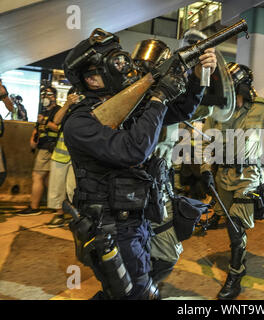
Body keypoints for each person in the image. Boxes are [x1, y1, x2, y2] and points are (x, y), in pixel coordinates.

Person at [62, 28, 214, 300]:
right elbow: (133, 150)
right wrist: (157, 98)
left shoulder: (126, 106)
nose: (125, 68)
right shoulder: (80, 122)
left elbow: (182, 110)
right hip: (110, 228)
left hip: (135, 219)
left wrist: (198, 74)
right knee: (137, 294)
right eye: (117, 64)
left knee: (124, 292)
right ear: (92, 79)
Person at [199, 61, 264, 300]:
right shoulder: (217, 110)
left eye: (229, 86)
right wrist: (206, 169)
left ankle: (235, 274)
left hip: (248, 176)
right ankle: (240, 258)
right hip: (223, 176)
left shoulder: (261, 108)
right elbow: (206, 141)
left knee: (237, 226)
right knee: (229, 224)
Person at [17, 85, 61, 216]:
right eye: (44, 95)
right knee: (47, 179)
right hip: (44, 147)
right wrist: (34, 137)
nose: (45, 98)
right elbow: (38, 128)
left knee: (37, 176)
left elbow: (58, 128)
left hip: (49, 148)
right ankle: (58, 207)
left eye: (48, 95)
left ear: (54, 97)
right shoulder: (44, 112)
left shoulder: (57, 111)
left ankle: (34, 207)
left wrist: (45, 122)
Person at [45, 87, 80, 227]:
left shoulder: (87, 109)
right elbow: (56, 120)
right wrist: (67, 104)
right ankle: (59, 214)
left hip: (77, 156)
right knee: (56, 187)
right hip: (60, 153)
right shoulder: (66, 109)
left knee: (73, 188)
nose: (76, 97)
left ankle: (76, 216)